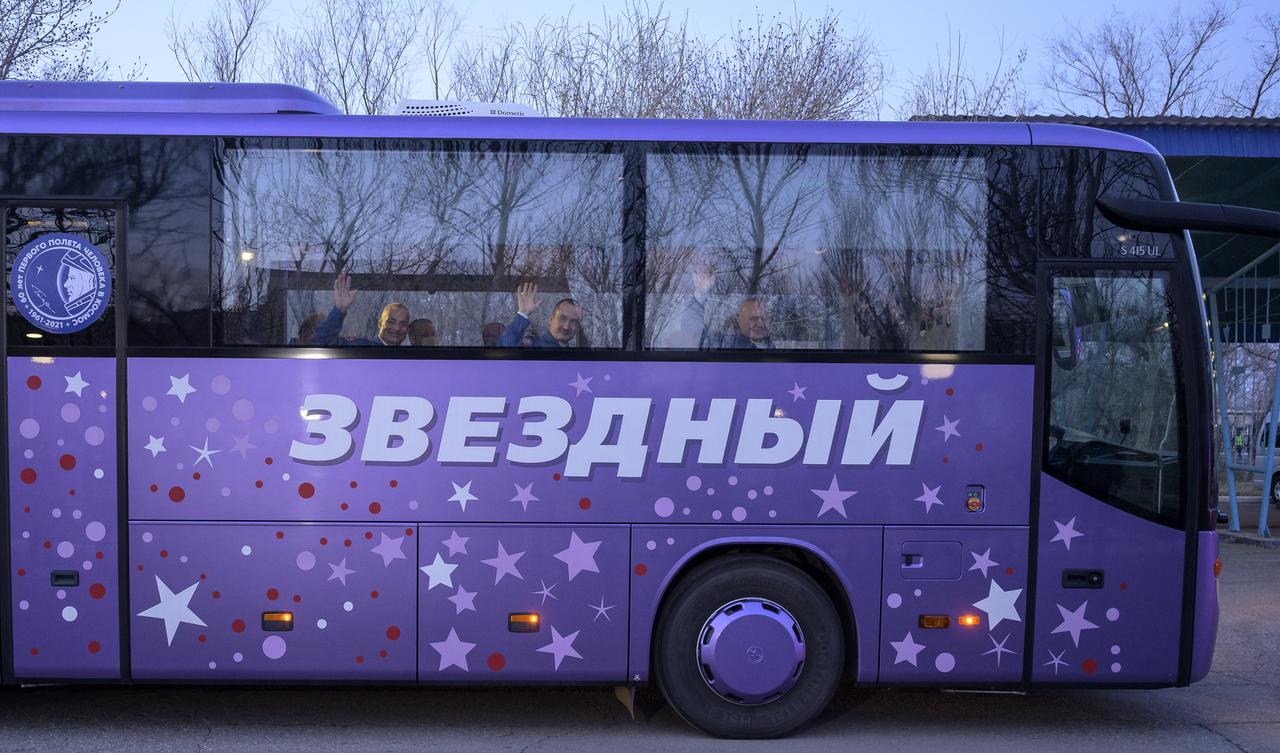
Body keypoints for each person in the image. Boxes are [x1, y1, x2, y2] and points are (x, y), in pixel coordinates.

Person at [312, 272, 411, 346]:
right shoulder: (362, 347)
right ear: (380, 323)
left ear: (407, 329)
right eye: (391, 322)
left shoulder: (412, 356)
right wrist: (340, 309)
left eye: (403, 324)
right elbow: (320, 342)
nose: (397, 328)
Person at [498, 281, 588, 348]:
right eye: (562, 318)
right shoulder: (533, 346)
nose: (566, 327)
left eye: (573, 322)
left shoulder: (578, 355)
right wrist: (523, 313)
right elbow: (505, 349)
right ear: (551, 319)